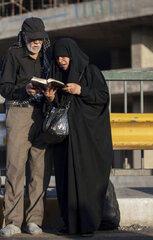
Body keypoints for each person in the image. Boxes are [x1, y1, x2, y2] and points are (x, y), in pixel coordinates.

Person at [44, 38, 113, 236]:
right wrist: (50, 98)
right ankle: (70, 224)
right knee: (65, 182)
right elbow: (56, 107)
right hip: (65, 140)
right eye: (57, 57)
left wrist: (80, 90)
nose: (61, 60)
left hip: (88, 140)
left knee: (86, 181)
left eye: (64, 56)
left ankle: (87, 225)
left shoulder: (90, 71)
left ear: (72, 54)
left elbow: (102, 97)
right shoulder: (57, 75)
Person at [0, 17, 51, 237]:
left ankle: (34, 221)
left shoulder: (49, 54)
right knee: (15, 169)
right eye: (32, 39)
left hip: (44, 114)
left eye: (40, 39)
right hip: (19, 112)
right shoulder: (13, 53)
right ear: (23, 36)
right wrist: (24, 90)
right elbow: (4, 87)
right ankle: (12, 222)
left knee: (40, 172)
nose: (37, 43)